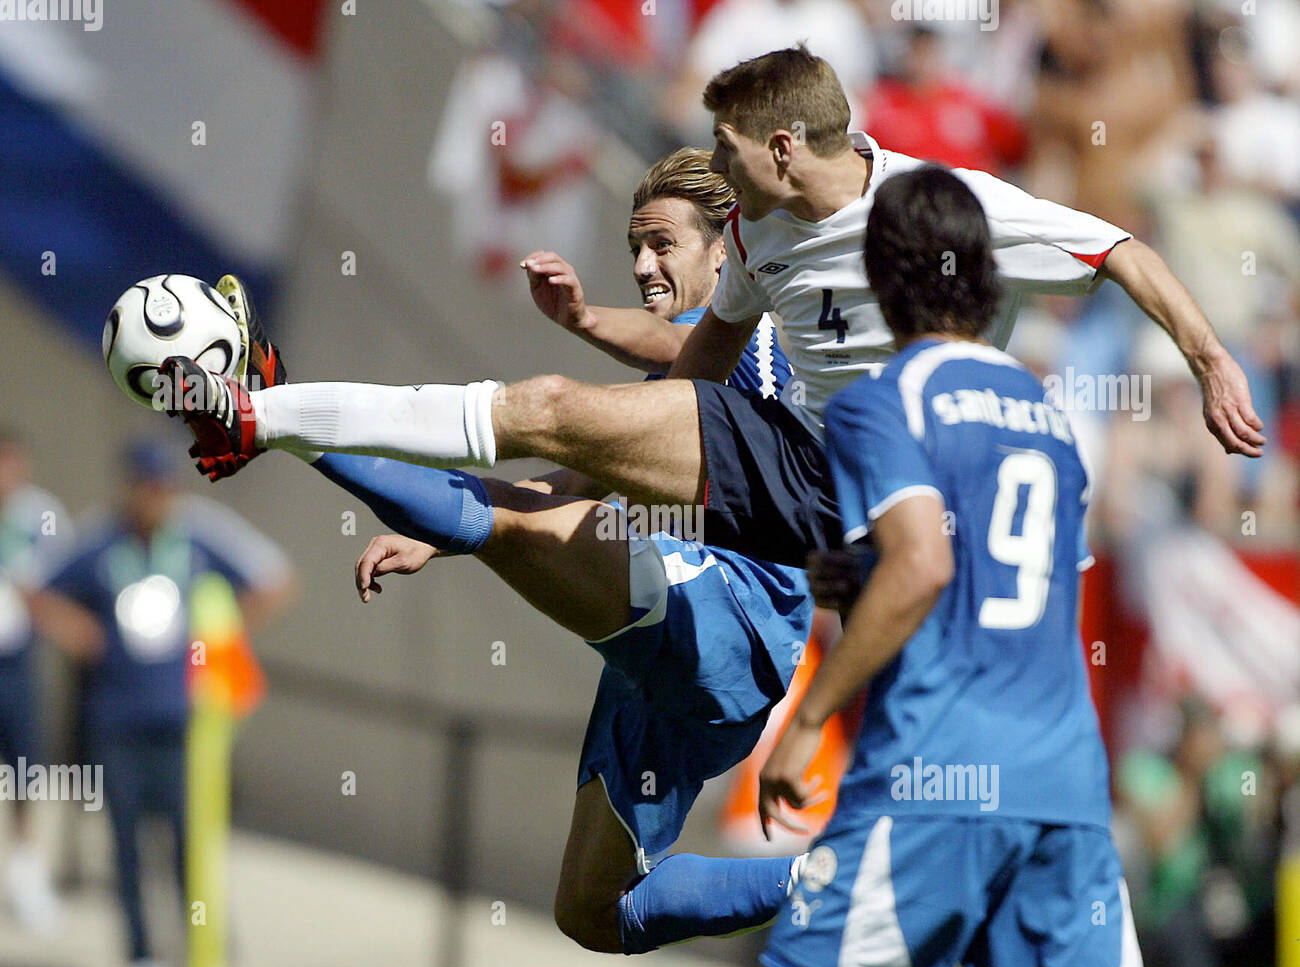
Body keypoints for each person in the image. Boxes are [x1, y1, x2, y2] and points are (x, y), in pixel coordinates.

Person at [169, 47, 1264, 575]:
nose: (717, 176)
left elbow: (1117, 246)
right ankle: (261, 415)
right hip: (803, 472)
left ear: (784, 146)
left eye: (732, 153)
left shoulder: (945, 203)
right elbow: (693, 373)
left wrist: (1209, 356)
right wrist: (527, 492)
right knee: (550, 410)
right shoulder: (757, 234)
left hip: (915, 508)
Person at [168, 150, 816, 958]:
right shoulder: (667, 393)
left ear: (724, 251)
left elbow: (665, 340)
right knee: (592, 910)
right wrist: (436, 534)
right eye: (633, 249)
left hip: (735, 612)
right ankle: (819, 883)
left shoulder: (732, 324)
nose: (644, 266)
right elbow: (563, 486)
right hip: (670, 665)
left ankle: (268, 411)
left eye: (663, 245)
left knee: (512, 495)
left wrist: (584, 321)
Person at [741, 165, 1156, 967]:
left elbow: (924, 565)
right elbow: (1010, 586)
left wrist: (810, 720)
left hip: (937, 770)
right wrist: (865, 575)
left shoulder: (881, 404)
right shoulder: (1049, 418)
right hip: (1065, 779)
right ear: (987, 274)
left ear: (880, 280)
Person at [28, 439, 294, 967]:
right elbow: (38, 590)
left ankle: (207, 958)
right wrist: (78, 632)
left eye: (163, 488)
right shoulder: (101, 541)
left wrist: (223, 637)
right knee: (125, 848)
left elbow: (273, 578)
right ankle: (141, 961)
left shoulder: (197, 536)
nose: (155, 499)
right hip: (116, 720)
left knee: (190, 849)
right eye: (145, 488)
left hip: (184, 723)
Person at [0, 427, 71, 935]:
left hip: (17, 659)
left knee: (24, 768)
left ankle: (26, 870)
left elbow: (62, 582)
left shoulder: (38, 518)